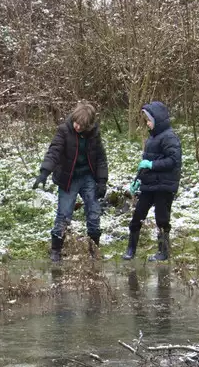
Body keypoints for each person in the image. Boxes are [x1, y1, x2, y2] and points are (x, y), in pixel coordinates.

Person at [32, 101, 109, 262]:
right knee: (64, 214)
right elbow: (54, 152)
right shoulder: (64, 131)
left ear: (88, 125)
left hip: (88, 176)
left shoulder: (94, 133)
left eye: (81, 125)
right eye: (76, 123)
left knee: (94, 213)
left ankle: (94, 249)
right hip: (68, 177)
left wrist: (102, 181)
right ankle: (55, 251)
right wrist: (44, 173)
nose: (77, 127)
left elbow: (101, 158)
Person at [123, 100, 181, 262]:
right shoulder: (151, 139)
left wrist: (152, 164)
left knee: (162, 218)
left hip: (164, 186)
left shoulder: (169, 137)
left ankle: (163, 251)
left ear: (158, 120)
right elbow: (146, 164)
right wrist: (138, 180)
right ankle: (131, 249)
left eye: (149, 120)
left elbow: (174, 161)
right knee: (137, 216)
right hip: (149, 185)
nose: (147, 123)